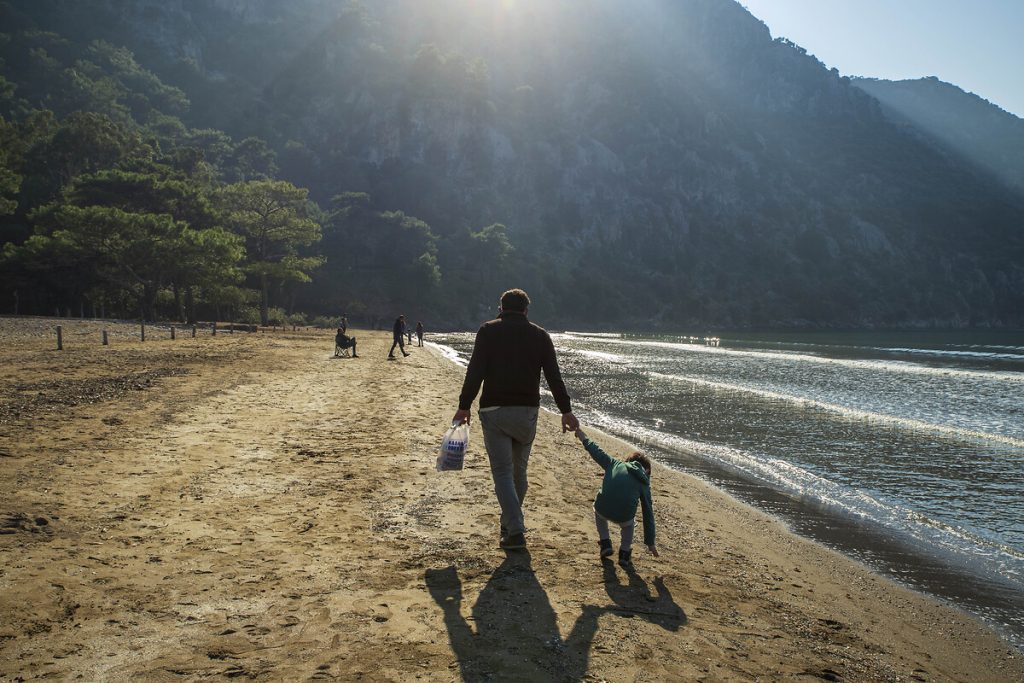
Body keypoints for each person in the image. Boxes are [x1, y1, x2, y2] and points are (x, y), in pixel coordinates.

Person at [453, 288, 579, 550]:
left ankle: (516, 528)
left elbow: (475, 371)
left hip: (494, 411)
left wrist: (464, 406)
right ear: (526, 310)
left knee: (502, 472)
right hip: (526, 413)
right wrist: (566, 411)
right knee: (519, 473)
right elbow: (554, 377)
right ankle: (510, 525)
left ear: (500, 308)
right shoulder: (540, 335)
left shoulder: (488, 330)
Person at [574, 427, 657, 569]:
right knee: (629, 524)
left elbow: (596, 452)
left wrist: (582, 436)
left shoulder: (614, 463)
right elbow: (648, 513)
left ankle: (605, 542)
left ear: (628, 461)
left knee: (598, 510)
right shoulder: (644, 482)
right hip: (624, 517)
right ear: (647, 471)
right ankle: (624, 552)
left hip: (603, 509)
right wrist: (650, 543)